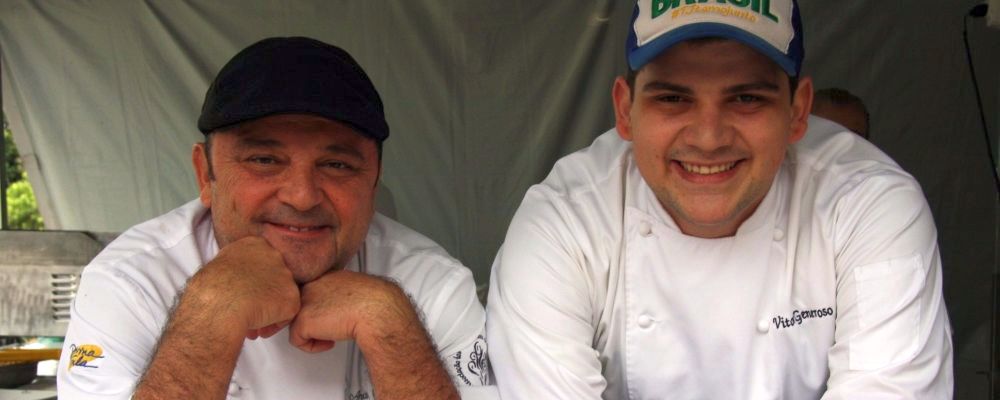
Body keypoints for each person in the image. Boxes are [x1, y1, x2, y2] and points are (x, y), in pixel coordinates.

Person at [486, 1, 952, 398]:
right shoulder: (563, 224)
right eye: (673, 98)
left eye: (746, 98)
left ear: (798, 111)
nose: (708, 138)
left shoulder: (869, 206)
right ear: (626, 111)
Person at [58, 37, 491, 400]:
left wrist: (387, 321)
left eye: (337, 165)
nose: (302, 197)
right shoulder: (130, 280)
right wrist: (210, 313)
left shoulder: (431, 283)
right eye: (264, 159)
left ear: (374, 183)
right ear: (205, 175)